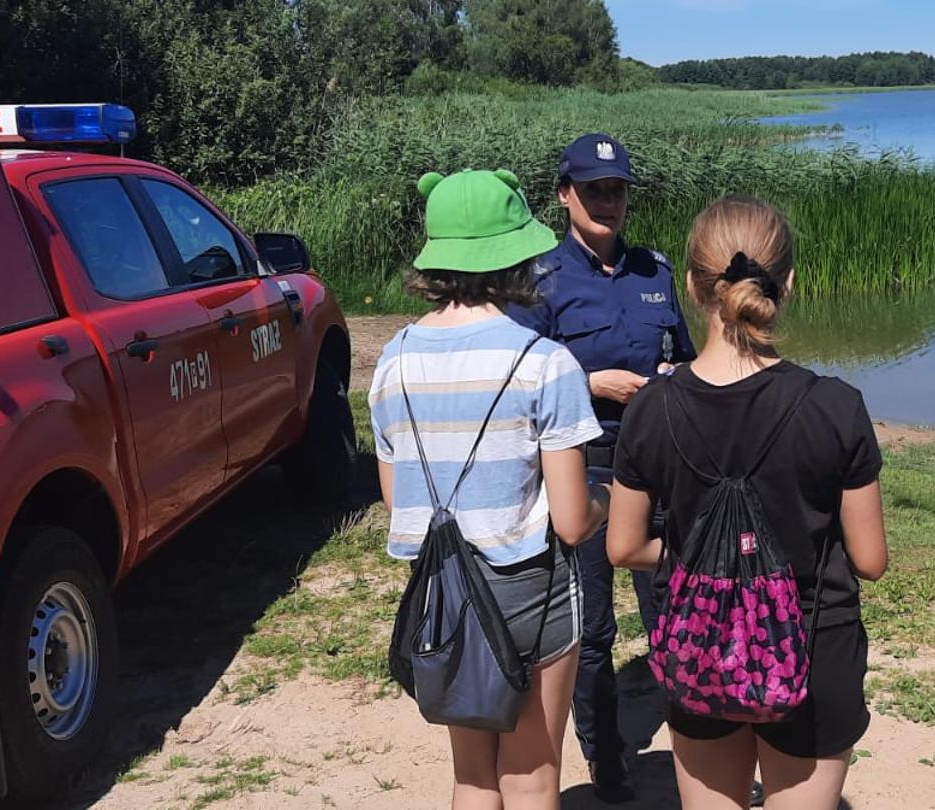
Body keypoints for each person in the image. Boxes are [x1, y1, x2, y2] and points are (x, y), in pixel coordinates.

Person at [606, 195, 889, 810]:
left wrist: (693, 553)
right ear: (786, 283)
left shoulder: (650, 409)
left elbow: (624, 546)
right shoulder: (835, 406)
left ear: (690, 285)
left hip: (700, 643)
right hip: (815, 646)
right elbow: (868, 559)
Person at [371, 168, 610, 810]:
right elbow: (569, 519)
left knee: (471, 774)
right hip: (527, 586)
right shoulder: (545, 363)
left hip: (441, 589)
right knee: (531, 773)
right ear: (517, 259)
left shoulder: (392, 359)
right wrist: (602, 504)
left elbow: (401, 504)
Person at [507, 132, 698, 801]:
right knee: (591, 631)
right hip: (581, 469)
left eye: (616, 190)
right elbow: (518, 379)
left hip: (658, 468)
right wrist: (589, 383)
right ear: (565, 196)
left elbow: (686, 355)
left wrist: (677, 377)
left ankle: (694, 759)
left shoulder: (656, 272)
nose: (608, 202)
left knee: (673, 614)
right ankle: (608, 764)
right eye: (594, 191)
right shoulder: (539, 281)